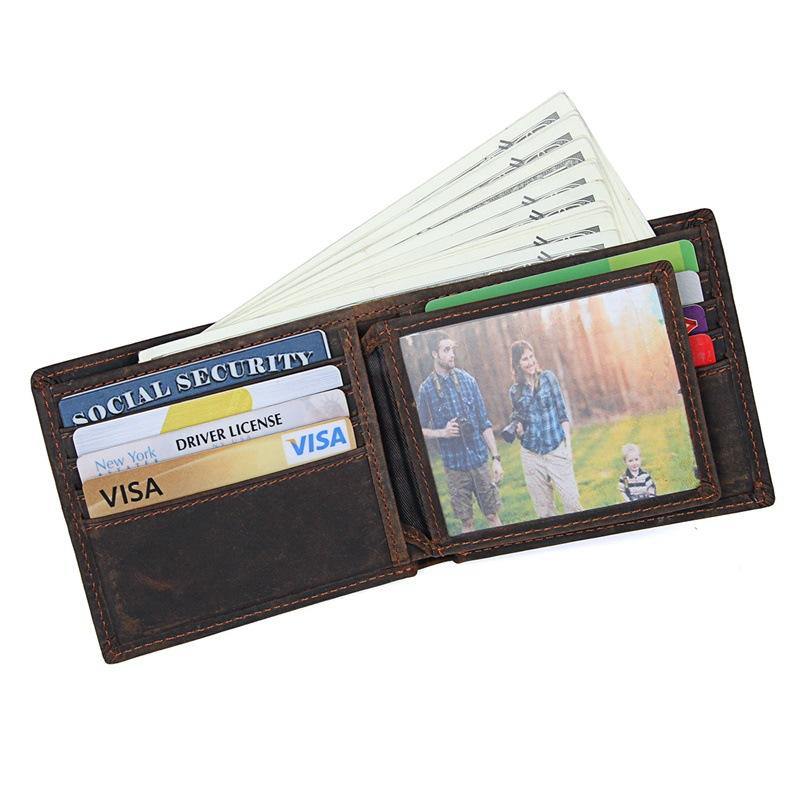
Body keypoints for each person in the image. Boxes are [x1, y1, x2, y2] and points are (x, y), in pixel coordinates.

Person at [418, 331, 503, 533]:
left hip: (479, 461)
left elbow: (484, 423)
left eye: (452, 349)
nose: (452, 354)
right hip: (454, 467)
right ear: (434, 354)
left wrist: (496, 458)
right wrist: (443, 433)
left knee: (492, 515)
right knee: (467, 523)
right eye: (446, 350)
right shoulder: (426, 389)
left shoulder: (468, 381)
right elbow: (418, 430)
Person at [508, 340, 582, 518]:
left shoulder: (548, 378)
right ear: (517, 364)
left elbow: (563, 415)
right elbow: (520, 423)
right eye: (525, 359)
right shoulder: (514, 391)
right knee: (545, 512)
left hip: (556, 448)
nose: (530, 361)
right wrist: (519, 432)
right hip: (531, 455)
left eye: (531, 356)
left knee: (572, 504)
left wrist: (567, 447)